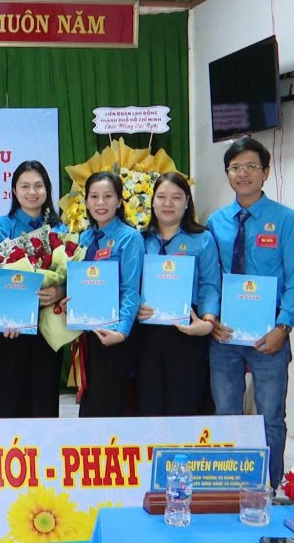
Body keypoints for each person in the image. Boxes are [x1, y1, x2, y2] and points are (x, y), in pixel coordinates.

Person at [206, 136, 294, 490]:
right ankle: (229, 484)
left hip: (269, 334)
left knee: (270, 416)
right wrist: (210, 319)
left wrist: (283, 326)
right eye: (235, 168)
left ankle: (271, 486)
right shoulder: (215, 221)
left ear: (266, 172)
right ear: (227, 173)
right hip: (224, 336)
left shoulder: (285, 220)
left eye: (251, 167)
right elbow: (209, 279)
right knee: (226, 413)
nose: (243, 174)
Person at [61, 171, 144, 417]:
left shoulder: (130, 238)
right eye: (94, 196)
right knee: (89, 406)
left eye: (108, 196)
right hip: (88, 334)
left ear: (119, 201)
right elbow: (77, 282)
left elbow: (132, 290)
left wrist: (121, 331)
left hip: (115, 335)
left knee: (110, 407)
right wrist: (69, 302)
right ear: (85, 201)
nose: (100, 202)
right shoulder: (83, 239)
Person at [137, 172, 220, 416]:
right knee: (149, 406)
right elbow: (129, 284)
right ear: (152, 202)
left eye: (176, 197)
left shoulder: (202, 239)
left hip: (188, 331)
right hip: (148, 334)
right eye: (161, 197)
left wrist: (208, 321)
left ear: (187, 202)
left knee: (184, 407)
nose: (168, 203)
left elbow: (210, 285)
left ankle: (183, 455)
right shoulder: (140, 239)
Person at [0, 160, 66, 418]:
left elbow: (69, 274)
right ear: (14, 191)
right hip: (12, 328)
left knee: (44, 404)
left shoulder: (61, 229)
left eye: (38, 186)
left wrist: (60, 291)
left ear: (47, 189)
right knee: (8, 404)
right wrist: (9, 313)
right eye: (25, 186)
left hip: (49, 328)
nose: (32, 192)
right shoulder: (1, 226)